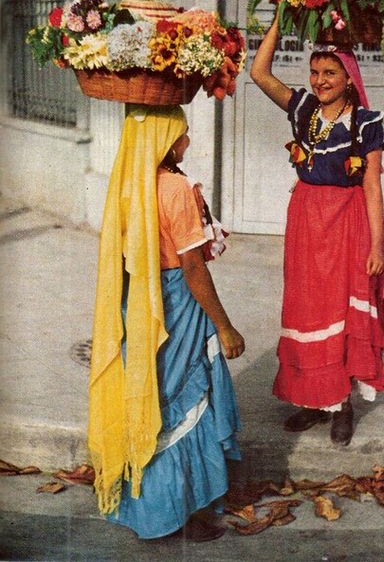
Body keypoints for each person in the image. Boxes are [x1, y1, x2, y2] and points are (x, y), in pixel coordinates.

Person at [88, 105, 244, 542]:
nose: (187, 142)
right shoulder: (176, 189)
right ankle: (182, 511)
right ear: (164, 141)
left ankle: (148, 506)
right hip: (176, 302)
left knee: (147, 399)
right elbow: (194, 268)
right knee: (185, 401)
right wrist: (225, 326)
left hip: (136, 304)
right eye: (182, 134)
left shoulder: (125, 185)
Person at [250, 15, 384, 446]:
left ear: (349, 77)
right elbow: (258, 73)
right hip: (306, 222)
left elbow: (371, 185)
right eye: (314, 72)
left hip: (345, 225)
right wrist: (276, 20)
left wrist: (376, 244)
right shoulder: (305, 110)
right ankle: (313, 400)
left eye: (330, 73)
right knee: (306, 306)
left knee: (339, 310)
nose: (319, 81)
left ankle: (342, 404)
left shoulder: (365, 123)